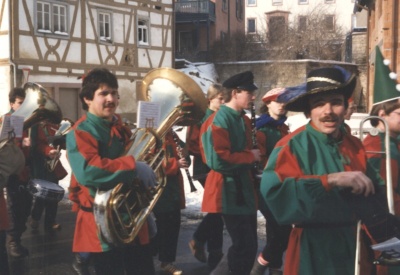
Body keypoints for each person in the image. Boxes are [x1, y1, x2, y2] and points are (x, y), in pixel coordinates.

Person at [261, 66, 400, 275]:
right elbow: (276, 196)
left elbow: (374, 193)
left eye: (336, 102)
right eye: (319, 104)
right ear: (309, 111)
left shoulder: (354, 144)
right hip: (313, 250)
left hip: (353, 248)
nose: (328, 111)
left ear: (345, 107)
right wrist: (330, 180)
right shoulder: (291, 146)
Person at [66, 68, 156, 275]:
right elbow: (89, 171)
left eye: (114, 93)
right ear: (87, 99)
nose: (111, 99)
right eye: (103, 93)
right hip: (103, 222)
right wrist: (132, 166)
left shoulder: (119, 127)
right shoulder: (81, 131)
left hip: (132, 217)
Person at [199, 71, 261, 275]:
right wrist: (249, 157)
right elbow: (217, 159)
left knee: (247, 247)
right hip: (229, 191)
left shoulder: (241, 119)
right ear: (236, 92)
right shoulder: (220, 119)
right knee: (244, 246)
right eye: (250, 93)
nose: (253, 97)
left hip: (242, 190)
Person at [250, 87, 291, 275]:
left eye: (284, 101)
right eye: (277, 101)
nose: (282, 105)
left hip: (283, 184)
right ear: (267, 104)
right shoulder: (261, 128)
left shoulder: (282, 127)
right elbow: (261, 160)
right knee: (283, 231)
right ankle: (260, 265)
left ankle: (274, 268)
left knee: (276, 231)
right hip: (267, 184)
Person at [187, 83, 225, 269]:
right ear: (210, 99)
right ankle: (201, 240)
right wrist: (210, 155)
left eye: (224, 99)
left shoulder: (220, 116)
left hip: (216, 168)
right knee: (218, 209)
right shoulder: (201, 119)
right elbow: (193, 145)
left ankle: (213, 251)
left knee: (217, 210)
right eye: (220, 99)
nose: (222, 102)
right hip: (205, 168)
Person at [151, 129, 189, 275]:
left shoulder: (172, 135)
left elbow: (184, 151)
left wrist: (185, 156)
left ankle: (167, 261)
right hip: (159, 189)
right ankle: (158, 258)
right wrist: (175, 163)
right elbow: (151, 163)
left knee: (172, 225)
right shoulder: (152, 136)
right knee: (162, 226)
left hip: (172, 188)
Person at [5, 88, 33, 258]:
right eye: (20, 103)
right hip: (15, 172)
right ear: (12, 104)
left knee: (26, 205)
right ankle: (13, 241)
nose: (23, 106)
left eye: (25, 103)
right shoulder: (10, 120)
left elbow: (40, 142)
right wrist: (22, 143)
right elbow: (7, 146)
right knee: (15, 207)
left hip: (29, 170)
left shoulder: (29, 120)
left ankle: (17, 238)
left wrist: (48, 150)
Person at [29, 121, 68, 231]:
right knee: (41, 194)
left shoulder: (53, 125)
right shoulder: (35, 126)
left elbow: (60, 141)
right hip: (40, 165)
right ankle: (35, 217)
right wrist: (48, 150)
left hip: (53, 165)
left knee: (54, 193)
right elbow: (35, 144)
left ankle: (50, 221)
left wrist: (64, 141)